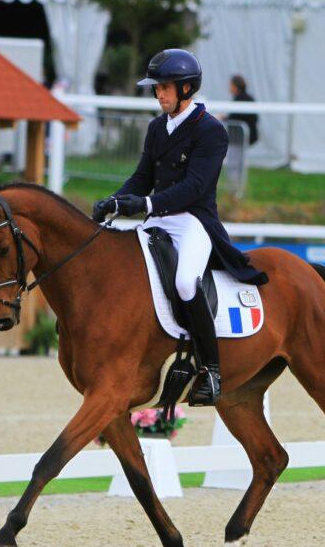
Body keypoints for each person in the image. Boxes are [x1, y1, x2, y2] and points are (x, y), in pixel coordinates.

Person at [91, 49, 268, 406]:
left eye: (165, 88)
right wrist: (115, 200)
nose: (159, 95)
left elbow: (195, 187)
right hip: (157, 219)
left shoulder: (211, 131)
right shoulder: (157, 128)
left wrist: (145, 205)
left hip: (193, 221)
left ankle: (211, 369)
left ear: (187, 89)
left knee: (186, 281)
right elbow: (142, 177)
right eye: (156, 89)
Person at [228, 74, 259, 146]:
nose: (229, 88)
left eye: (231, 85)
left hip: (242, 134)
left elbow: (233, 118)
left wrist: (223, 118)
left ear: (235, 86)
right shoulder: (250, 98)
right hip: (251, 134)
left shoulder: (238, 99)